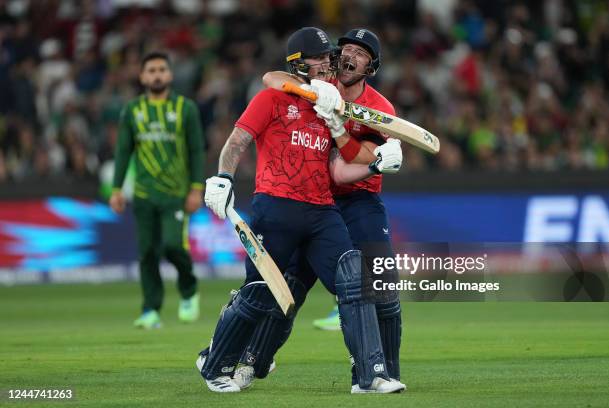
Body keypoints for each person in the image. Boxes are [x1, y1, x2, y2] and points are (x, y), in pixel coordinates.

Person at [195, 27, 404, 394]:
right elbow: (241, 133)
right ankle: (221, 362)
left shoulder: (338, 105)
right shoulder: (279, 97)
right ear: (299, 63)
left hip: (327, 208)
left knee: (357, 278)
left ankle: (371, 376)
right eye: (324, 57)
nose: (331, 63)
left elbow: (340, 169)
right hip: (276, 205)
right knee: (265, 290)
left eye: (330, 57)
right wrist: (222, 177)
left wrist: (372, 161)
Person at [110, 51, 205, 329]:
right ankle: (151, 309)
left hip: (175, 193)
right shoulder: (132, 110)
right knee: (148, 253)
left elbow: (197, 150)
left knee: (173, 245)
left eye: (161, 69)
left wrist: (196, 188)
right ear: (141, 77)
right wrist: (116, 189)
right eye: (150, 70)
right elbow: (123, 151)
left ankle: (188, 289)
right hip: (143, 194)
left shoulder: (185, 108)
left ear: (170, 75)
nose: (156, 75)